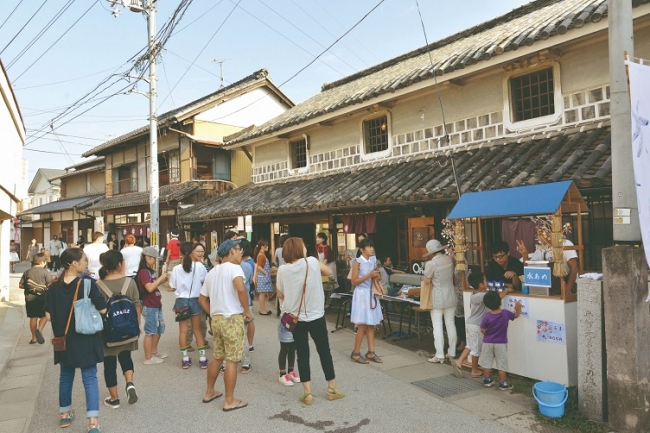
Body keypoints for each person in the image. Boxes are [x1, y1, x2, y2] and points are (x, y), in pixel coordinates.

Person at [44, 248, 107, 432]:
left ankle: (64, 415)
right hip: (85, 338)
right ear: (74, 263)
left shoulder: (54, 287)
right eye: (84, 260)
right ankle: (93, 424)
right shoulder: (87, 283)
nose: (86, 263)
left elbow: (47, 315)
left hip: (62, 339)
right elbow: (103, 309)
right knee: (89, 377)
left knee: (66, 376)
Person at [276, 237, 343, 405]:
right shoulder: (312, 262)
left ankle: (308, 394)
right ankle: (332, 388)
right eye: (304, 246)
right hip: (316, 315)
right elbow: (329, 272)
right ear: (300, 249)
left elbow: (280, 294)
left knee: (302, 354)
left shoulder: (282, 270)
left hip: (295, 318)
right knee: (324, 351)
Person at [199, 239, 252, 412]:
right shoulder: (235, 268)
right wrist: (246, 310)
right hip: (232, 318)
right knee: (232, 360)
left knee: (218, 357)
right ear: (231, 251)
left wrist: (213, 312)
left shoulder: (211, 273)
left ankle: (209, 392)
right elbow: (241, 289)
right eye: (239, 250)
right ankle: (229, 400)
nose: (240, 253)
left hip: (217, 319)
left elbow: (201, 299)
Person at [96, 250, 141, 409]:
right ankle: (129, 384)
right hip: (128, 329)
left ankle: (114, 399)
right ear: (120, 264)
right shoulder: (130, 282)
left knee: (109, 364)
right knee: (126, 357)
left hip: (108, 332)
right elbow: (137, 305)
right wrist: (137, 325)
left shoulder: (98, 285)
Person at [454, 271, 512, 377]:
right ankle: (474, 370)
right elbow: (497, 298)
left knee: (470, 345)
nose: (487, 282)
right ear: (481, 285)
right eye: (485, 280)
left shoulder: (473, 294)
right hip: (477, 326)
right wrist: (507, 290)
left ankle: (459, 361)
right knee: (476, 349)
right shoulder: (482, 295)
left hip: (470, 323)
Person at [170, 241, 208, 369]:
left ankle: (185, 359)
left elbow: (172, 286)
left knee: (183, 332)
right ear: (192, 252)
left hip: (181, 300)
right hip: (195, 300)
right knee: (197, 330)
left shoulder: (176, 269)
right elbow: (205, 281)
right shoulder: (200, 267)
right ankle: (202, 359)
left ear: (180, 253)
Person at [423, 239, 458, 364]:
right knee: (450, 323)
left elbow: (427, 280)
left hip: (437, 296)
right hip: (450, 294)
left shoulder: (431, 263)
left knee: (437, 326)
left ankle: (439, 355)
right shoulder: (450, 259)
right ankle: (452, 352)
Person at [349, 238, 383, 364]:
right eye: (369, 247)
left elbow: (377, 278)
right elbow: (353, 281)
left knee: (371, 325)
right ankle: (356, 353)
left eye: (372, 246)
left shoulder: (373, 260)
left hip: (371, 293)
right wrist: (369, 275)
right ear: (362, 250)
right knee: (362, 325)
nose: (372, 248)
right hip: (362, 294)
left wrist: (377, 276)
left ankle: (371, 352)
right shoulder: (357, 262)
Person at [480, 290, 522, 390]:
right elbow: (515, 316)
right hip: (501, 343)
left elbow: (482, 329)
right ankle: (503, 383)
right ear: (500, 302)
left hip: (487, 342)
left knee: (487, 361)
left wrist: (488, 335)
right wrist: (518, 309)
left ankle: (487, 380)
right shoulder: (506, 314)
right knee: (501, 363)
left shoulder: (487, 316)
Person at [137, 246, 169, 365]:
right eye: (154, 258)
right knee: (150, 331)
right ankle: (148, 357)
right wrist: (160, 278)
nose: (155, 261)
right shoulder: (144, 272)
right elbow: (149, 288)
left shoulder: (149, 271)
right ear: (147, 258)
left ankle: (153, 352)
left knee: (159, 329)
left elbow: (153, 285)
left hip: (155, 303)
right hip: (149, 305)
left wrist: (161, 280)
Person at [19, 252, 52, 344]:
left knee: (33, 317)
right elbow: (49, 284)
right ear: (41, 262)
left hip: (29, 298)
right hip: (42, 297)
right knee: (45, 315)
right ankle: (40, 330)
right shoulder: (45, 272)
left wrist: (30, 286)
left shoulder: (27, 272)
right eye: (45, 262)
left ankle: (34, 338)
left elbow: (20, 285)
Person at [186, 243, 209, 352]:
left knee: (202, 321)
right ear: (192, 252)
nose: (200, 253)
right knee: (190, 323)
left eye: (202, 251)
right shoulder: (187, 264)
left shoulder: (204, 265)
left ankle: (202, 340)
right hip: (190, 297)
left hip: (202, 297)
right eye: (198, 251)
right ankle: (187, 342)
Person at [239, 239, 256, 373]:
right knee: (242, 333)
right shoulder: (248, 266)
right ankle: (245, 362)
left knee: (231, 334)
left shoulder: (244, 266)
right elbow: (249, 283)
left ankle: (227, 363)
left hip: (234, 305)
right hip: (246, 302)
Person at [254, 239, 273, 315]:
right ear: (262, 247)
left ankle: (263, 309)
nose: (267, 247)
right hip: (263, 277)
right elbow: (259, 267)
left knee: (263, 294)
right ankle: (262, 310)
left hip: (262, 277)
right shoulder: (262, 255)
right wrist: (266, 273)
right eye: (266, 246)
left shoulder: (261, 254)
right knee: (262, 294)